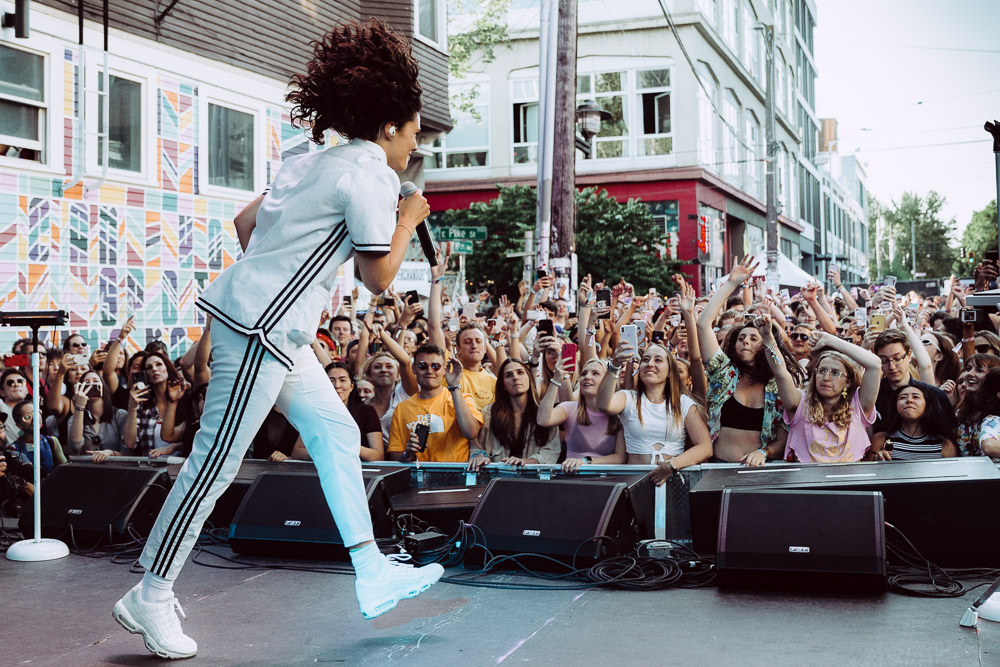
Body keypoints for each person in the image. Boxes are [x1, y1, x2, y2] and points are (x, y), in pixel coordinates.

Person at [111, 20, 442, 660]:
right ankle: (150, 593)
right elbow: (377, 277)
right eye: (414, 132)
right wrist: (408, 217)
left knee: (338, 432)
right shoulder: (371, 173)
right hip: (261, 333)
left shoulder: (307, 161)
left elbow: (244, 222)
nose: (414, 145)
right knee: (213, 464)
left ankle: (371, 570)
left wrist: (272, 286)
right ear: (390, 127)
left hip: (270, 331)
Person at [697, 256, 800, 465]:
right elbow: (703, 324)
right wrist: (732, 284)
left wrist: (764, 452)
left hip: (761, 474)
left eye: (754, 338)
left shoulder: (777, 386)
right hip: (717, 467)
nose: (745, 342)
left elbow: (784, 438)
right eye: (741, 338)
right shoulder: (724, 373)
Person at [758, 317, 881, 464]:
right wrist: (767, 338)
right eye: (822, 371)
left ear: (848, 382)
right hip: (807, 483)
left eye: (835, 373)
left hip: (849, 483)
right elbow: (780, 372)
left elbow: (875, 364)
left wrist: (830, 340)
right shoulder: (800, 404)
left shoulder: (858, 405)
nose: (826, 378)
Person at [596, 342, 713, 485]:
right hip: (635, 483)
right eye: (645, 360)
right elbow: (603, 404)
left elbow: (705, 447)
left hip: (673, 483)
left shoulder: (683, 403)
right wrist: (614, 365)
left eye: (658, 360)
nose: (650, 364)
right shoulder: (628, 398)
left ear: (670, 372)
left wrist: (672, 465)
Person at [388, 344, 482, 462]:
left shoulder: (462, 399)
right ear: (414, 369)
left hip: (454, 477)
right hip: (417, 476)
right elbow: (395, 454)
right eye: (422, 366)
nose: (429, 371)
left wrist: (454, 387)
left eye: (435, 366)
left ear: (444, 369)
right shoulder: (402, 408)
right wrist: (408, 454)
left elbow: (471, 432)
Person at [536, 358, 625, 473]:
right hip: (573, 478)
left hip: (606, 481)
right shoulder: (570, 408)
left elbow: (620, 457)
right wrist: (556, 379)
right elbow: (543, 420)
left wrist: (586, 461)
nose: (587, 377)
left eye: (595, 373)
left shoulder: (619, 413)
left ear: (607, 381)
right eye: (584, 373)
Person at [470, 358, 560, 468]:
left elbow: (551, 452)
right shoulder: (489, 413)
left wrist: (526, 461)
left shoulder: (544, 413)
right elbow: (476, 447)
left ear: (529, 378)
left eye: (520, 372)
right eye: (508, 375)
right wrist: (479, 456)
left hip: (534, 479)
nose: (515, 378)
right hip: (496, 479)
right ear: (503, 384)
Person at [121, 351, 191, 458]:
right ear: (145, 375)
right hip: (152, 469)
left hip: (182, 468)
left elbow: (194, 437)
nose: (154, 369)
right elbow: (130, 443)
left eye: (159, 364)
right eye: (149, 368)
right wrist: (132, 408)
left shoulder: (184, 398)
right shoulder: (143, 404)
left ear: (168, 368)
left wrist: (175, 446)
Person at [868, 382, 958, 460]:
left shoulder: (945, 444)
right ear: (895, 406)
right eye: (903, 397)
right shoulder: (881, 439)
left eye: (916, 397)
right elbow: (870, 473)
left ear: (927, 406)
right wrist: (877, 459)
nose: (909, 400)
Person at [66, 370, 129, 458]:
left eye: (95, 381)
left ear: (103, 386)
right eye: (87, 383)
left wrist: (111, 453)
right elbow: (75, 447)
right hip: (87, 469)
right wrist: (79, 406)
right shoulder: (74, 419)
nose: (91, 384)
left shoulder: (120, 415)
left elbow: (129, 452)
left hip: (115, 468)